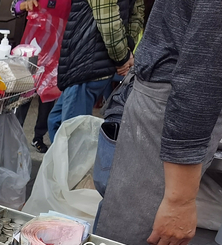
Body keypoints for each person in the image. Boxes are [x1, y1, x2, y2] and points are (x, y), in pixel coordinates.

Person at [95, 0, 222, 245]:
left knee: (124, 243)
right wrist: (180, 200)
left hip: (171, 95)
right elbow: (202, 76)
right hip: (174, 102)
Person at [47, 0, 144, 141]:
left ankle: (67, 163)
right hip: (93, 64)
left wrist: (123, 57)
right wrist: (126, 51)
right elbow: (137, 13)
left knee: (72, 138)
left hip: (86, 63)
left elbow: (108, 21)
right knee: (56, 121)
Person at [12, 0, 59, 152]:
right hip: (31, 48)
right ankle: (14, 134)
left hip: (55, 49)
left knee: (48, 95)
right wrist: (24, 5)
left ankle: (38, 137)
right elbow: (14, 7)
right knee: (24, 92)